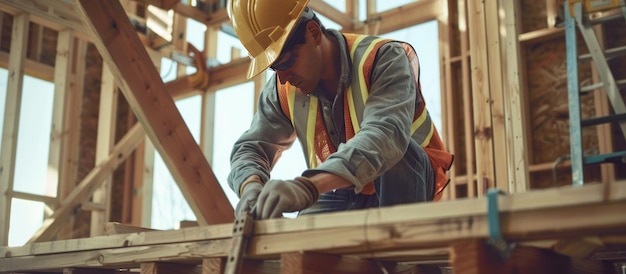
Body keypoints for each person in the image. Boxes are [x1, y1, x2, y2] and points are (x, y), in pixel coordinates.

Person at [226, 0, 454, 220]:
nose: (283, 76)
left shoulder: (382, 59)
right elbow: (250, 147)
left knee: (396, 151)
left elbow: (385, 137)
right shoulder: (283, 89)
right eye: (274, 67)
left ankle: (399, 250)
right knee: (301, 245)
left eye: (285, 61)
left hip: (407, 179)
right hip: (344, 189)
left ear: (314, 33)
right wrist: (250, 185)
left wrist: (308, 187)